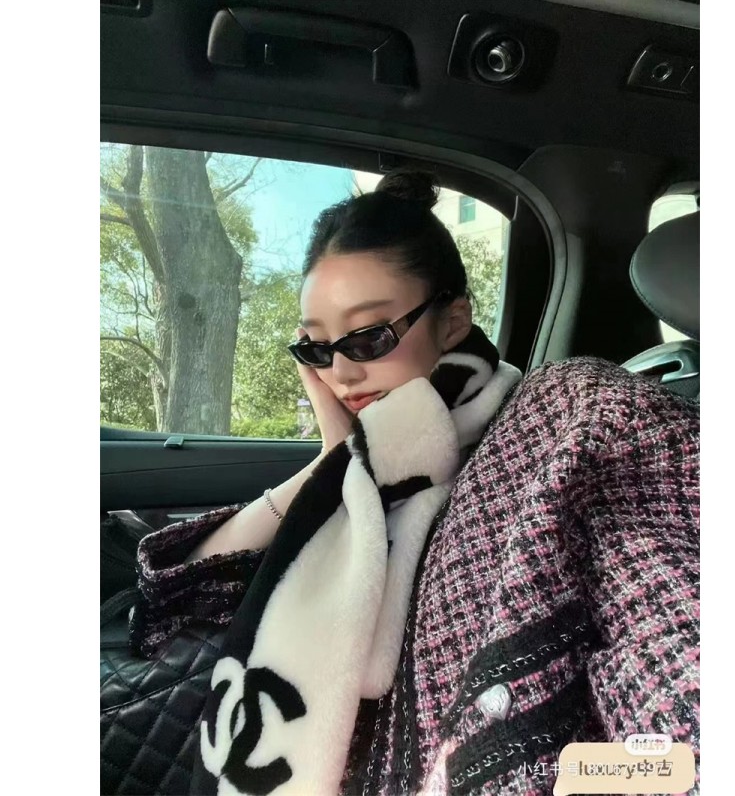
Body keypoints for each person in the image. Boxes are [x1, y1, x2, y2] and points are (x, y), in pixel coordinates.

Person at [129, 170, 700, 796]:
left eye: (369, 337)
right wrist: (333, 458)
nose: (341, 373)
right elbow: (179, 596)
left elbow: (676, 686)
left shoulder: (570, 413)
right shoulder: (367, 468)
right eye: (317, 349)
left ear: (453, 320)